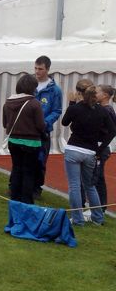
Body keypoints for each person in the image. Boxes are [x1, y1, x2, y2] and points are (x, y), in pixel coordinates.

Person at [61, 82, 116, 226]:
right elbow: (112, 131)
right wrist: (100, 149)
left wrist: (72, 104)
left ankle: (78, 219)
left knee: (74, 186)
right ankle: (98, 217)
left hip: (74, 148)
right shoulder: (102, 111)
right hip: (91, 151)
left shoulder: (75, 108)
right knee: (90, 186)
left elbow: (65, 122)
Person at [2, 74, 46, 204]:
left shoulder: (8, 102)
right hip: (31, 143)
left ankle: (14, 198)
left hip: (13, 141)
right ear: (32, 88)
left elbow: (5, 124)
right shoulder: (34, 104)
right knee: (29, 172)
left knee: (16, 169)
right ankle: (26, 201)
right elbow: (40, 125)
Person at [33, 56, 62, 198]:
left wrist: (44, 123)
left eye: (40, 69)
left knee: (40, 161)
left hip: (42, 132)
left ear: (48, 69)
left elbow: (57, 111)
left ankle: (36, 189)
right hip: (27, 130)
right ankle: (17, 186)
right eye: (35, 68)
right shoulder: (30, 85)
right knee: (23, 160)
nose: (37, 71)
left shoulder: (55, 90)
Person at [94, 84, 116, 212]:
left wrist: (100, 149)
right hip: (99, 146)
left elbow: (112, 131)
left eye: (97, 92)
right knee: (96, 177)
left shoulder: (108, 110)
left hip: (101, 148)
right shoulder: (102, 109)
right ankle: (99, 205)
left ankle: (100, 207)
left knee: (98, 178)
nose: (94, 94)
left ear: (105, 95)